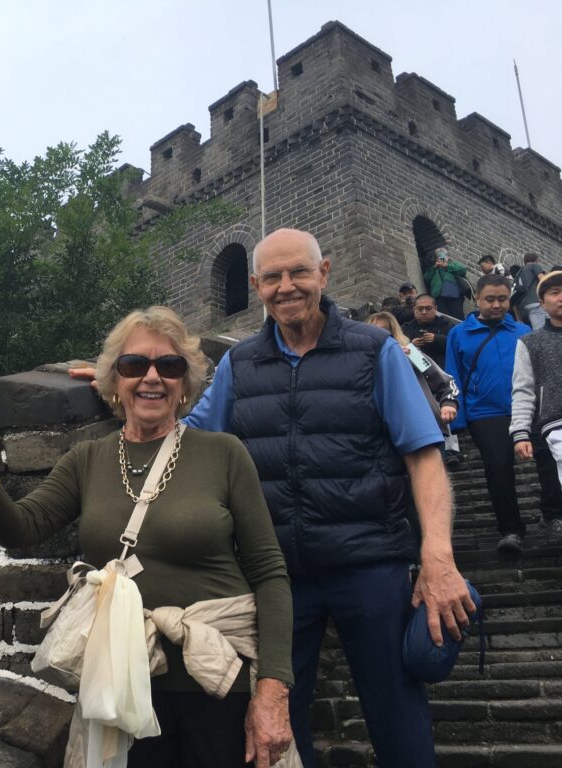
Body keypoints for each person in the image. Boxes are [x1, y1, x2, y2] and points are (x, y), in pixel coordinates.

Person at [0, 307, 295, 768]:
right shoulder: (87, 459)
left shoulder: (223, 453)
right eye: (135, 365)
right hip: (123, 684)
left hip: (218, 682)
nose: (152, 377)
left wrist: (273, 691)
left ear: (185, 383)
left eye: (168, 366)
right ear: (115, 380)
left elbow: (270, 574)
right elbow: (21, 528)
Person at [183, 228, 473, 768]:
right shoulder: (239, 365)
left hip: (371, 566)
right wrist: (121, 388)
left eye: (299, 272)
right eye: (272, 277)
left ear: (325, 273)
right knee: (277, 731)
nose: (286, 286)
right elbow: (190, 440)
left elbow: (423, 455)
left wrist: (438, 556)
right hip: (278, 578)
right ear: (255, 285)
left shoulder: (375, 350)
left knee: (399, 718)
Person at [445, 274, 532, 554]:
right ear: (477, 299)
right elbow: (452, 375)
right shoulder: (459, 334)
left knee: (546, 464)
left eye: (502, 299)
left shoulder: (522, 331)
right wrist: (458, 417)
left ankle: (551, 515)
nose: (496, 305)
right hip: (485, 412)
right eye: (490, 299)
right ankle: (510, 529)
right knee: (498, 467)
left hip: (526, 409)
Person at [368, 310, 462, 468]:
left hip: (424, 428)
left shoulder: (411, 353)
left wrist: (448, 402)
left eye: (384, 332)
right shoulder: (363, 361)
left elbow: (444, 381)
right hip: (384, 435)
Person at [510, 270, 562, 538]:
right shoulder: (530, 342)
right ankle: (553, 516)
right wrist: (520, 432)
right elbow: (523, 389)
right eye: (554, 293)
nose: (561, 298)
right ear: (542, 303)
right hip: (551, 423)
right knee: (551, 479)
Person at [401, 293, 453, 370]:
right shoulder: (405, 328)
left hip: (441, 372)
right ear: (414, 309)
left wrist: (437, 339)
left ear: (435, 308)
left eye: (428, 308)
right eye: (420, 309)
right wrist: (411, 345)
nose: (424, 312)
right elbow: (396, 349)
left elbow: (458, 344)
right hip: (413, 372)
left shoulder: (446, 326)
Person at [423, 246, 468, 320]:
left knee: (457, 316)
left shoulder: (453, 264)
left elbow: (463, 270)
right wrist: (435, 267)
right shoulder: (434, 268)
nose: (441, 257)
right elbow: (426, 278)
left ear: (448, 257)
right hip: (438, 296)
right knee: (442, 317)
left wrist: (446, 266)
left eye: (443, 255)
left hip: (454, 294)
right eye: (439, 256)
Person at [512, 252, 548, 330]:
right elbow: (544, 280)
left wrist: (518, 319)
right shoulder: (534, 265)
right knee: (543, 332)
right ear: (536, 260)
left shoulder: (518, 274)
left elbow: (514, 297)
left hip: (524, 309)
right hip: (536, 303)